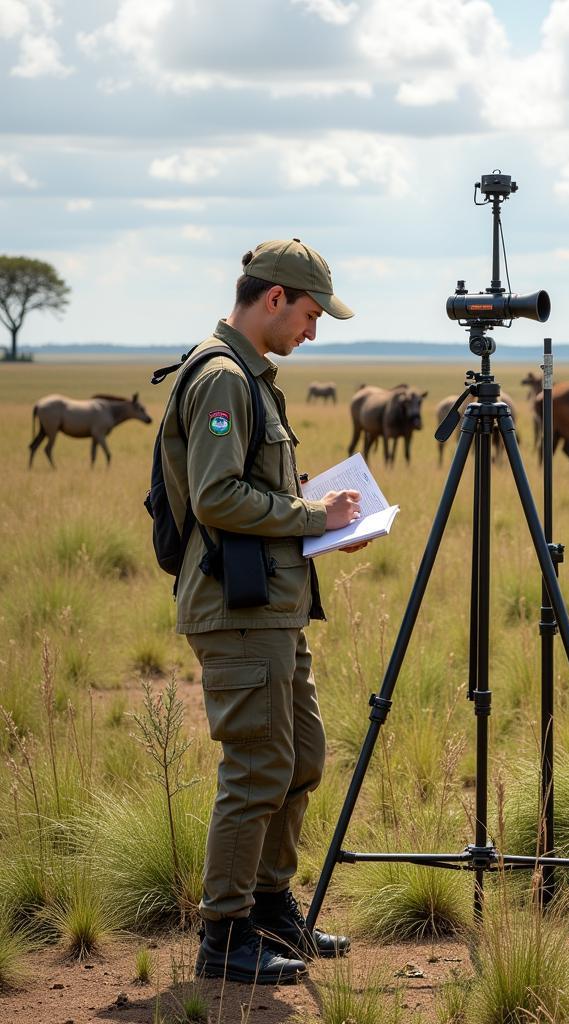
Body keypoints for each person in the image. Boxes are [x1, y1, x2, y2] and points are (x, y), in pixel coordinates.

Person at [159, 238, 365, 984]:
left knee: (300, 756)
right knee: (257, 767)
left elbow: (250, 494)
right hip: (237, 609)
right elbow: (216, 498)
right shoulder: (221, 377)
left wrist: (316, 522)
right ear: (274, 298)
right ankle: (224, 936)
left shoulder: (250, 377)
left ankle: (271, 906)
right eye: (310, 315)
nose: (312, 332)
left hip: (273, 606)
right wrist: (312, 514)